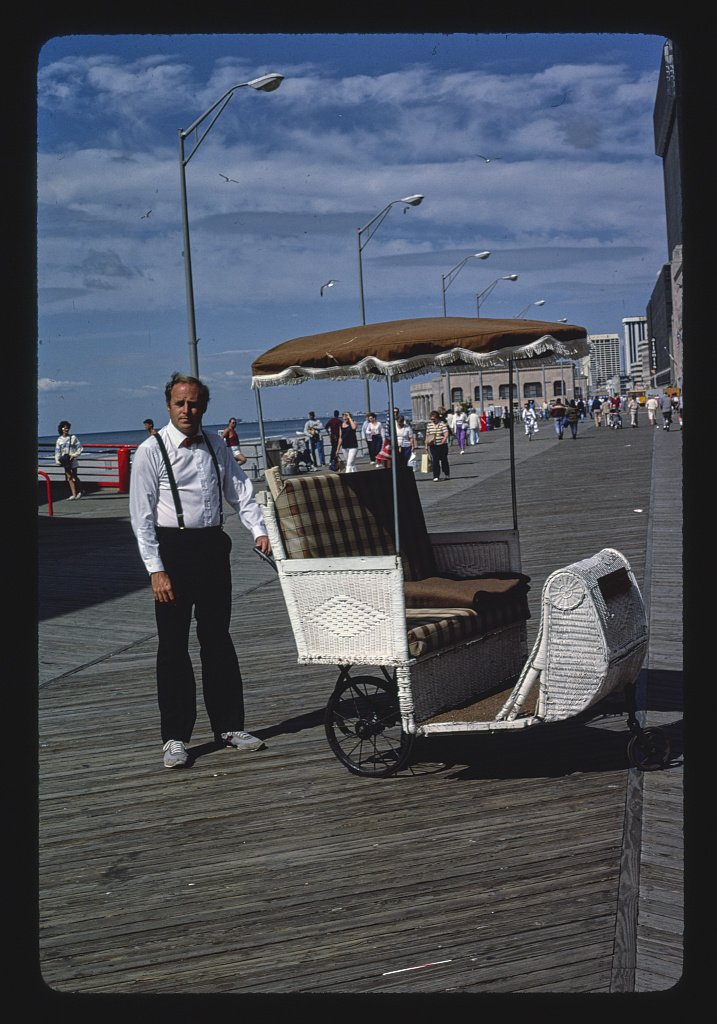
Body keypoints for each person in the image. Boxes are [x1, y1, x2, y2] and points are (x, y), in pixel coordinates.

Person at [129, 372, 270, 769]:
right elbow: (141, 518)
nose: (187, 410)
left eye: (194, 404)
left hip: (212, 547)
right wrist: (156, 570)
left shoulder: (215, 443)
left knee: (217, 638)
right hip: (172, 551)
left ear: (203, 407)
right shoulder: (150, 451)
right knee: (173, 646)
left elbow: (240, 491)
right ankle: (175, 738)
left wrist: (259, 531)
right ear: (168, 406)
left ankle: (229, 726)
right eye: (180, 403)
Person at [55, 421, 83, 500]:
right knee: (69, 477)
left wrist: (74, 455)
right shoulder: (59, 440)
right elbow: (57, 451)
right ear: (61, 428)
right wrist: (58, 461)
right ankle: (74, 494)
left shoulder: (73, 438)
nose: (66, 429)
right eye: (64, 427)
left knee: (74, 475)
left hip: (72, 459)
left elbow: (79, 448)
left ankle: (80, 490)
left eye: (67, 428)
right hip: (65, 460)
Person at [425, 409, 450, 481]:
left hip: (442, 445)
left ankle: (446, 473)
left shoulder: (442, 424)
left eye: (434, 419)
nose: (433, 420)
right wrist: (426, 445)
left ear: (437, 418)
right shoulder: (429, 425)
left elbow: (446, 433)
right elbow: (427, 435)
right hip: (433, 445)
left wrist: (444, 439)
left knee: (444, 460)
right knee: (435, 460)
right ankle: (436, 476)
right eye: (431, 419)